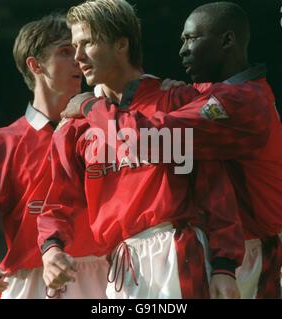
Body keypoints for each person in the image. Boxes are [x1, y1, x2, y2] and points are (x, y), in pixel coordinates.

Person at [70, 2, 282, 298]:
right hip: (238, 248)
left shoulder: (242, 101)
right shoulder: (219, 94)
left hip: (266, 253)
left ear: (226, 40)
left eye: (191, 39)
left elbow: (147, 140)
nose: (182, 50)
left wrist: (91, 105)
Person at [38, 0, 244, 299]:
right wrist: (51, 250)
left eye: (88, 43)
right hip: (121, 265)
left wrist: (225, 267)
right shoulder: (74, 126)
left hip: (177, 251)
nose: (78, 57)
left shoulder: (176, 101)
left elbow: (214, 188)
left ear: (121, 44)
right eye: (73, 46)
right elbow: (56, 202)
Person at [0, 12, 107, 299]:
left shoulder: (103, 128)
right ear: (35, 65)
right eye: (65, 51)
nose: (79, 59)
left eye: (79, 50)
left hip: (103, 276)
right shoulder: (1, 143)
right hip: (28, 282)